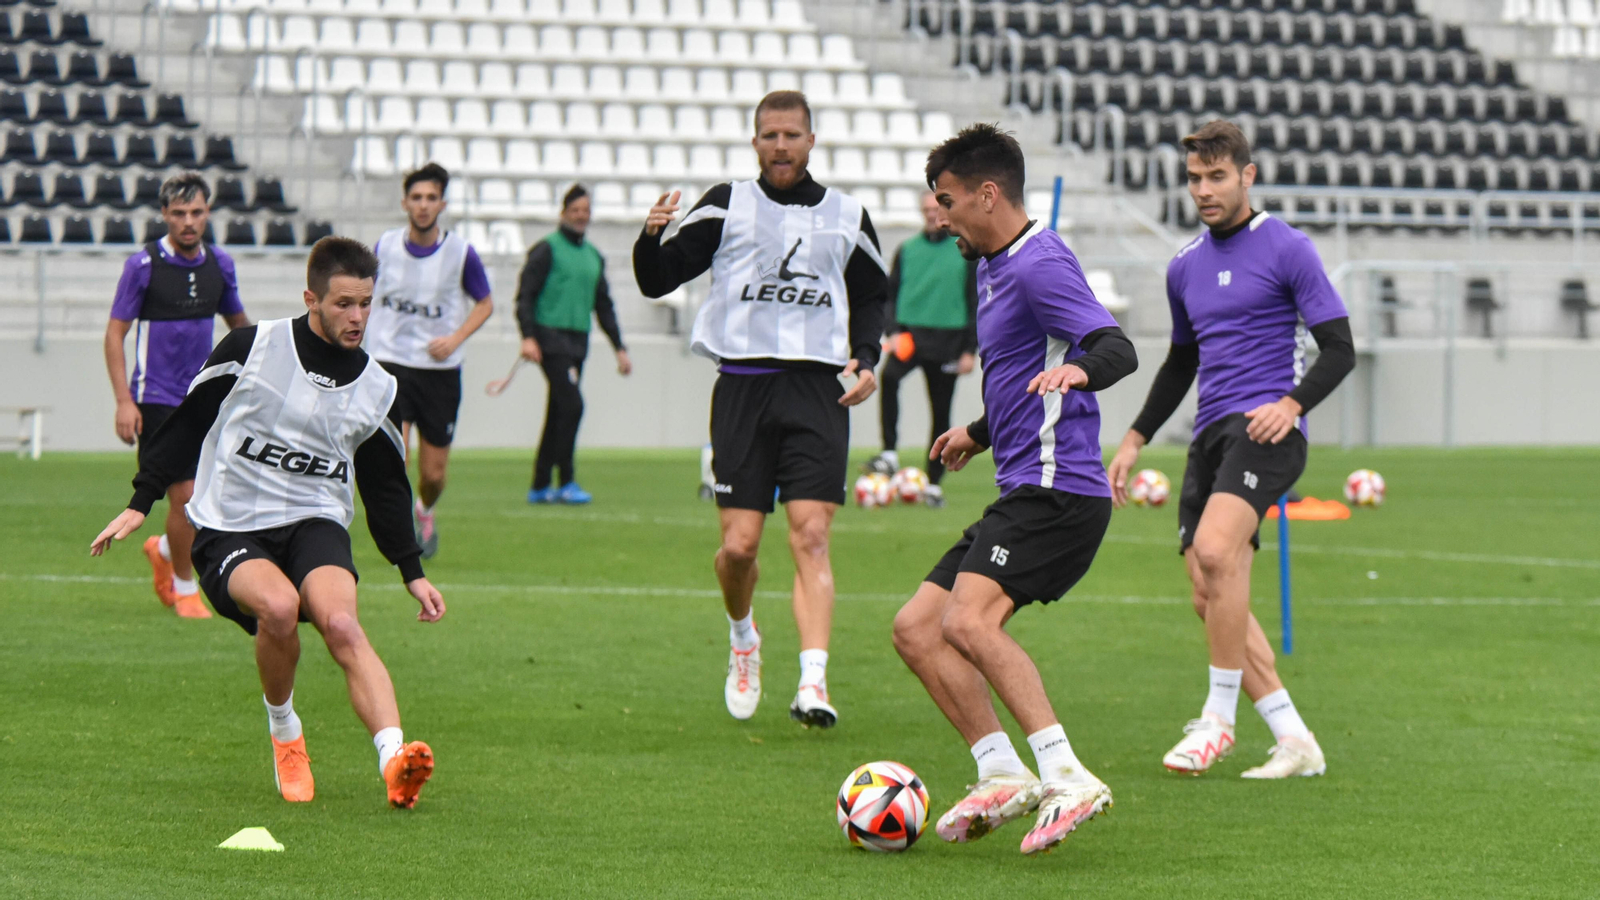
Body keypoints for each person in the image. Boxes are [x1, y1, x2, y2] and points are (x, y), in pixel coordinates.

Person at [90, 237, 445, 809]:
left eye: (366, 304)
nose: (357, 317)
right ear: (311, 298)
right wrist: (141, 500)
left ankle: (395, 759)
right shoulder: (251, 347)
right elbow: (186, 423)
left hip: (315, 521)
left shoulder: (379, 389)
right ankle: (285, 732)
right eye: (343, 304)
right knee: (279, 609)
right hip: (232, 524)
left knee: (343, 625)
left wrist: (412, 570)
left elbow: (385, 487)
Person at [890, 124, 1139, 855]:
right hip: (1024, 484)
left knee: (969, 623)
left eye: (947, 201)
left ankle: (1067, 774)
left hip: (1061, 491)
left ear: (987, 194)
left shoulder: (1039, 261)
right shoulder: (990, 266)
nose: (940, 216)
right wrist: (978, 428)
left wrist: (1082, 371)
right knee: (916, 629)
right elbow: (1021, 373)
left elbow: (1115, 346)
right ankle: (1000, 771)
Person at [1105, 120, 1355, 779]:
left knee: (1216, 554)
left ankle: (1218, 720)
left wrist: (1292, 404)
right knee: (1209, 589)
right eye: (1194, 178)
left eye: (1217, 176)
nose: (1204, 189)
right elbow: (1180, 363)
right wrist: (1134, 438)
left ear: (1247, 175)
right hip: (1209, 437)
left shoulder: (1287, 248)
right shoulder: (1184, 266)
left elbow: (1340, 348)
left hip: (1266, 430)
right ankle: (1293, 736)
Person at [633, 90, 887, 729]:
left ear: (811, 140)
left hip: (817, 392)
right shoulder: (725, 203)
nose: (781, 145)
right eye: (769, 135)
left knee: (812, 533)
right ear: (754, 142)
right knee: (739, 548)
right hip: (743, 387)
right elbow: (657, 279)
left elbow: (872, 294)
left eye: (792, 135)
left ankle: (813, 683)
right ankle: (743, 637)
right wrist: (649, 236)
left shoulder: (848, 214)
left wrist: (866, 358)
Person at [103, 171, 251, 620]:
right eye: (180, 213)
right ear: (164, 214)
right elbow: (115, 335)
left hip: (206, 397)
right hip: (157, 399)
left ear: (208, 214)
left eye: (197, 212)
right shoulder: (143, 267)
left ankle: (166, 549)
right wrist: (124, 401)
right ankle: (187, 589)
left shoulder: (220, 265)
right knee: (184, 495)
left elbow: (239, 326)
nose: (189, 221)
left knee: (209, 495)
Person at [366, 163, 495, 558]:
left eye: (430, 198)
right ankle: (401, 533)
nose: (423, 206)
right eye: (416, 198)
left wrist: (454, 338)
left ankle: (426, 508)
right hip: (391, 364)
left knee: (434, 475)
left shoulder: (460, 253)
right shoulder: (385, 246)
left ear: (442, 203)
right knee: (396, 457)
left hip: (439, 372)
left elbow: (486, 303)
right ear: (405, 202)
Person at [515, 184, 632, 505]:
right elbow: (525, 296)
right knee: (572, 406)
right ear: (564, 213)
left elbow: (603, 305)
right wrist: (528, 336)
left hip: (577, 342)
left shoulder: (593, 256)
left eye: (586, 211)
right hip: (550, 339)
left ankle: (540, 485)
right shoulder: (546, 249)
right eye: (575, 210)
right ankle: (565, 480)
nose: (581, 216)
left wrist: (619, 347)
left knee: (558, 410)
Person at [866, 191, 978, 508]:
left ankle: (933, 481)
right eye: (927, 209)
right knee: (888, 378)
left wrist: (971, 349)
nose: (932, 214)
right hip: (911, 337)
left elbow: (975, 301)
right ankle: (889, 452)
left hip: (949, 340)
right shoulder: (907, 249)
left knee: (940, 411)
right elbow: (890, 294)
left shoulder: (964, 250)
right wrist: (893, 331)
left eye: (938, 208)